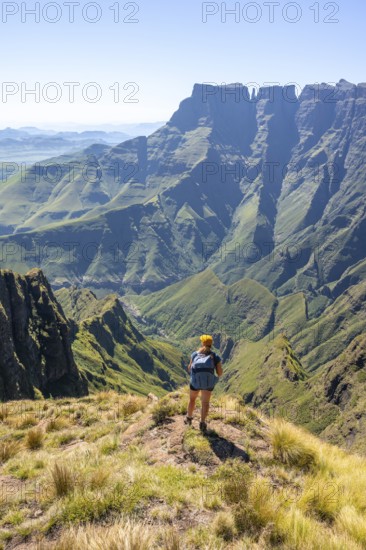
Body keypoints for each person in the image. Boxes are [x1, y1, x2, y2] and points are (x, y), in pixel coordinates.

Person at [184, 334, 223, 433]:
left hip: (195, 382)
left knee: (192, 400)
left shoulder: (194, 354)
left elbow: (189, 369)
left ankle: (189, 418)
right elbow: (220, 373)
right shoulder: (215, 356)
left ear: (202, 343)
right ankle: (202, 423)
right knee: (205, 403)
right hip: (208, 384)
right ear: (211, 344)